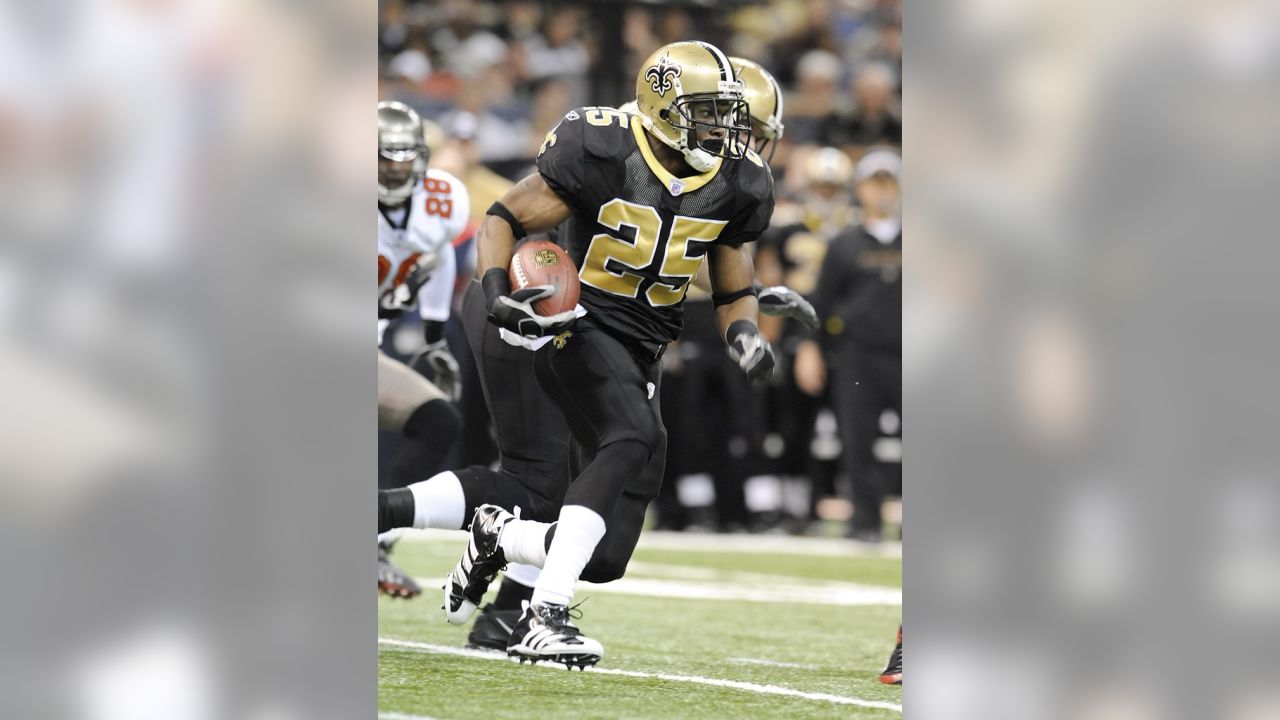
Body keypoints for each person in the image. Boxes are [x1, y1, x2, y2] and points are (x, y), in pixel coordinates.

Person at [376, 51, 815, 654]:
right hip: (546, 311)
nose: (735, 140)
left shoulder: (733, 182)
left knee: (603, 544)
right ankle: (528, 613)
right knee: (564, 469)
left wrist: (747, 320)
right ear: (669, 108)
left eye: (742, 127)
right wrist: (500, 293)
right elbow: (506, 218)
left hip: (632, 334)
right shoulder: (607, 147)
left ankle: (495, 549)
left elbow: (685, 255)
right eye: (723, 121)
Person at [375, 100, 470, 598]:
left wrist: (435, 336)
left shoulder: (442, 199)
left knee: (439, 420)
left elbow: (437, 259)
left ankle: (376, 541)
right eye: (382, 158)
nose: (394, 168)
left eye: (402, 157)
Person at [794, 147, 901, 541]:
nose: (883, 191)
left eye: (889, 182)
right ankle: (866, 522)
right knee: (858, 441)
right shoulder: (844, 244)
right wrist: (809, 348)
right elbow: (820, 302)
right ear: (861, 188)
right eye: (876, 182)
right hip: (859, 355)